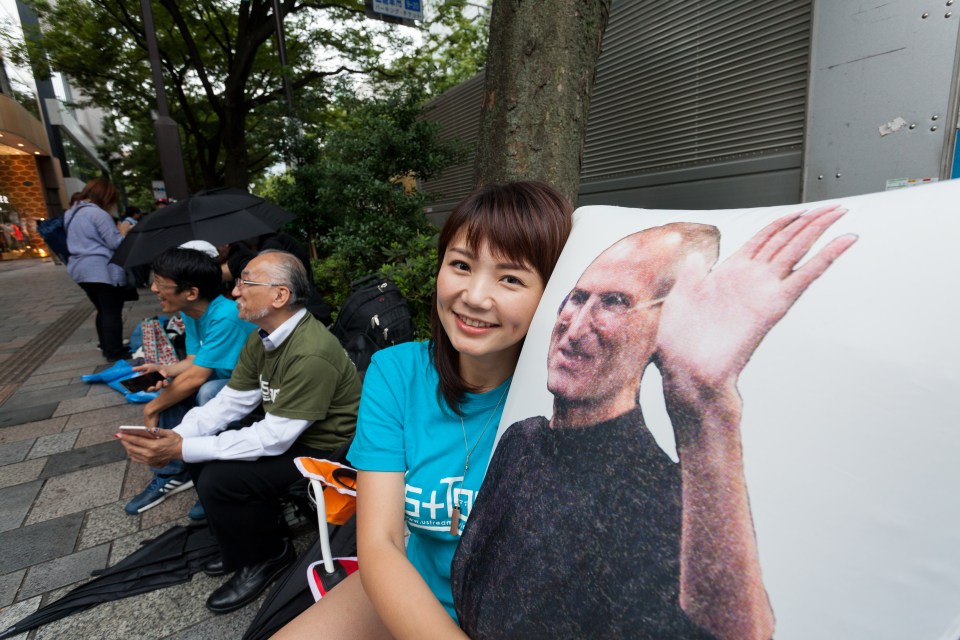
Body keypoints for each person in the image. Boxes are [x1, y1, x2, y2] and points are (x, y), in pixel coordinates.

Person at [451, 207, 858, 640]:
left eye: (615, 302)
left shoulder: (661, 503)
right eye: (578, 296)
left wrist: (704, 407)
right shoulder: (523, 439)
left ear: (670, 326)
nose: (575, 326)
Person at [273, 181, 573, 639]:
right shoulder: (398, 372)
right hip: (412, 589)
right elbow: (381, 543)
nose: (474, 296)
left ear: (554, 294)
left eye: (510, 278)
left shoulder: (564, 398)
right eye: (460, 265)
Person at [118, 249, 361, 613]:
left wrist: (182, 450)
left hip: (326, 449)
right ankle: (243, 544)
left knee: (223, 478)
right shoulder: (262, 336)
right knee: (203, 454)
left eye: (246, 282)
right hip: (292, 432)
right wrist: (176, 438)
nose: (234, 292)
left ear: (279, 296)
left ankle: (267, 556)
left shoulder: (311, 351)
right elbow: (230, 402)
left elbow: (274, 438)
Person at [123, 244, 257, 518]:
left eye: (160, 283)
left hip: (252, 390)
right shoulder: (191, 312)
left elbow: (198, 376)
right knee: (172, 386)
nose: (153, 289)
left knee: (203, 391)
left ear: (191, 292)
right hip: (220, 380)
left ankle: (218, 479)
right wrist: (163, 369)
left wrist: (152, 408)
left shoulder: (225, 316)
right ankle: (174, 473)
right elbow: (193, 360)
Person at [64, 177, 135, 361]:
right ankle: (114, 351)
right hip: (101, 268)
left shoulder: (71, 213)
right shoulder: (98, 214)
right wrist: (124, 231)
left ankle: (106, 346)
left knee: (102, 309)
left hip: (80, 269)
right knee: (111, 311)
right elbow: (115, 243)